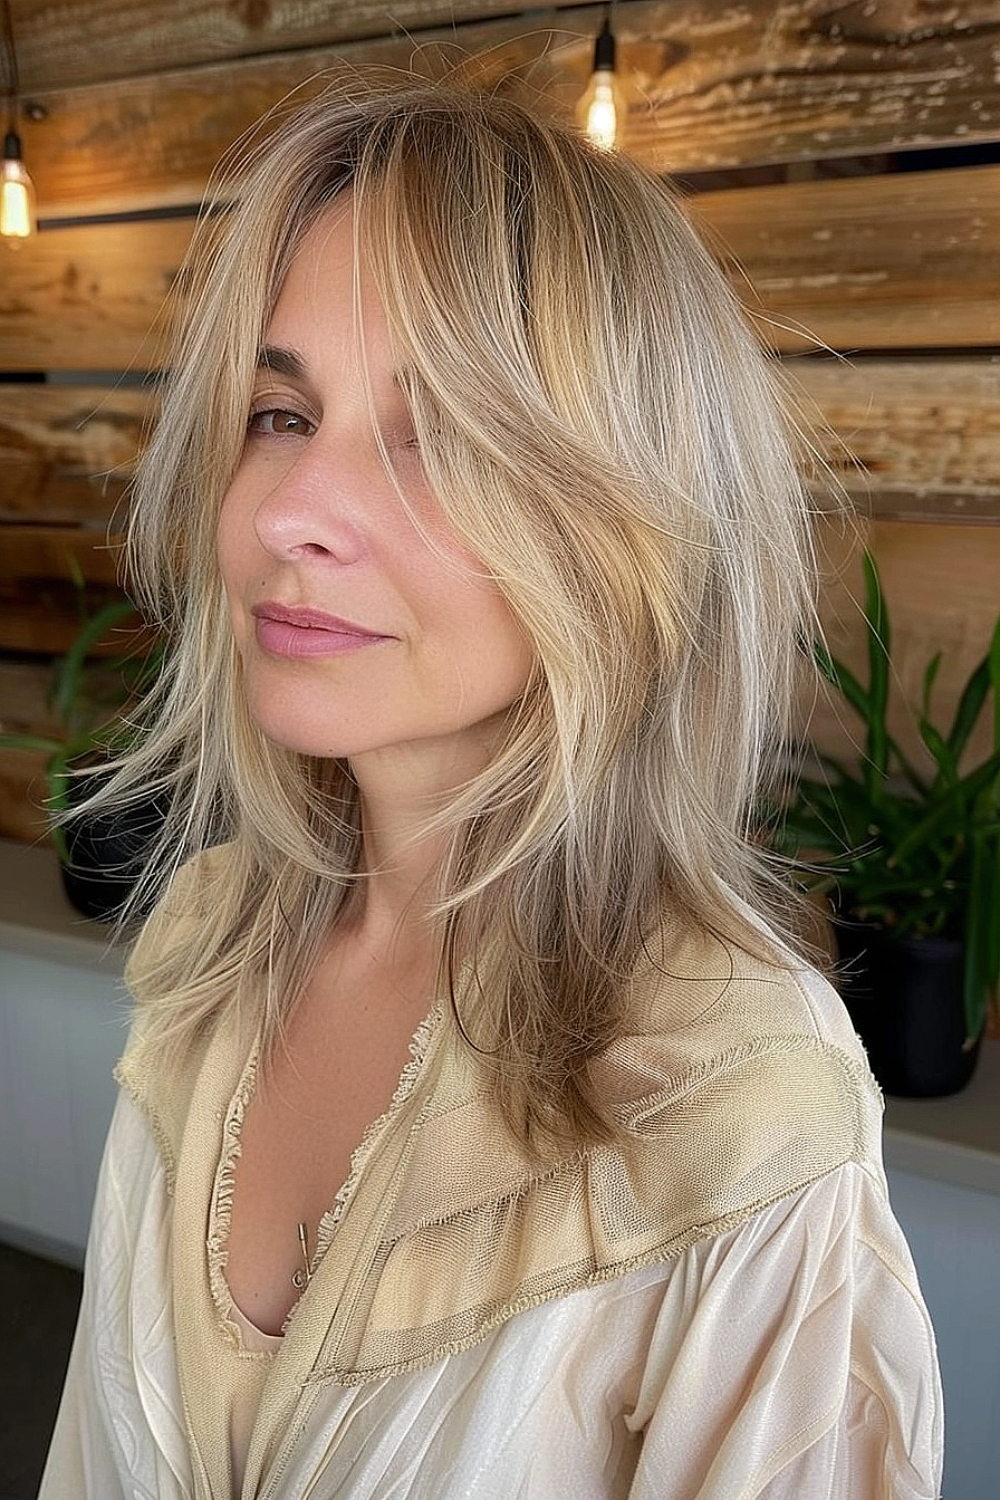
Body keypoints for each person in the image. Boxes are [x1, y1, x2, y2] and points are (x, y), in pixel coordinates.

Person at [39, 74, 942, 1500]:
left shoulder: (735, 1103)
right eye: (282, 412)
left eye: (436, 436)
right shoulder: (210, 942)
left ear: (625, 526)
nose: (286, 513)